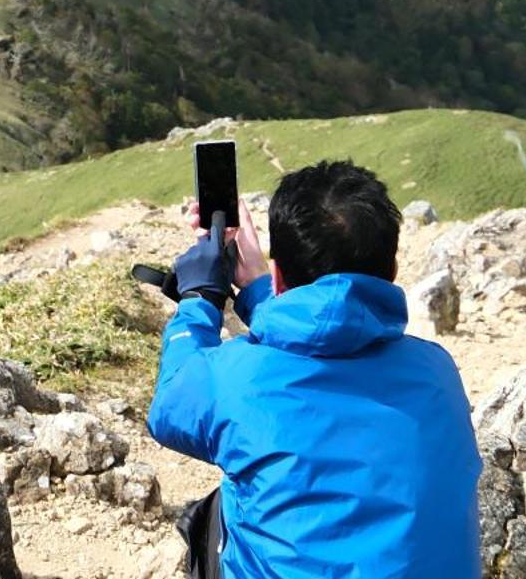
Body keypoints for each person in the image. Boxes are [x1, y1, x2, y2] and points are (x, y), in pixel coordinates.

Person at [145, 159, 481, 578]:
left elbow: (169, 405)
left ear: (279, 274)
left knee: (220, 507)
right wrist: (258, 292)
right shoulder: (437, 371)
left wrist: (200, 298)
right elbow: (335, 327)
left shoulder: (233, 380)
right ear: (391, 273)